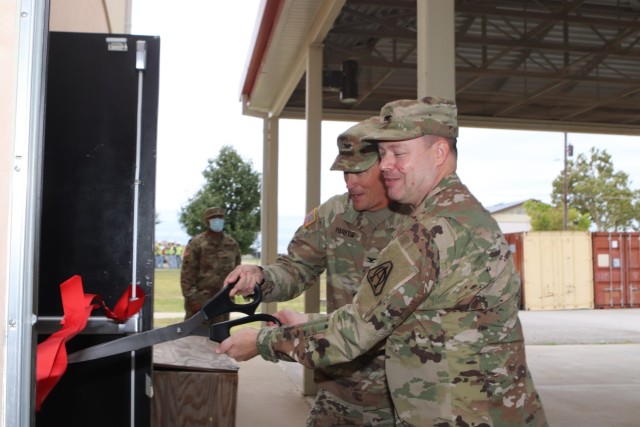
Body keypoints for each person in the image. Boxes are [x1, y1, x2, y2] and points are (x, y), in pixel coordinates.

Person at [218, 97, 548, 426]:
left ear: (438, 153)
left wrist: (263, 341)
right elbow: (421, 319)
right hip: (403, 396)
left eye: (397, 154)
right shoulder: (455, 214)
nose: (385, 165)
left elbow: (356, 329)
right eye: (384, 154)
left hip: (443, 408)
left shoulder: (431, 230)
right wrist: (263, 279)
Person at [224, 117, 410, 426]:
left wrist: (279, 335)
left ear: (387, 166)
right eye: (345, 172)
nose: (351, 182)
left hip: (399, 398)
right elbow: (296, 268)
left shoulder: (417, 222)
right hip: (338, 386)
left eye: (360, 171)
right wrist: (259, 277)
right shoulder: (333, 214)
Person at [180, 207, 241, 323]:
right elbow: (187, 275)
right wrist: (194, 300)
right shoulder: (197, 244)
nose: (217, 220)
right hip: (200, 302)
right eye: (213, 218)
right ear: (207, 221)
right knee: (196, 337)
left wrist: (231, 295)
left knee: (220, 337)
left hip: (223, 301)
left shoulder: (231, 244)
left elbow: (236, 271)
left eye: (220, 217)